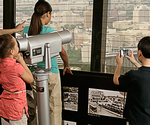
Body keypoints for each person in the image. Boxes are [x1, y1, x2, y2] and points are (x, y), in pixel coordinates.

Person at [22, 1, 73, 125]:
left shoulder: (26, 30)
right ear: (47, 14)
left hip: (34, 74)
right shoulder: (50, 31)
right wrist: (67, 65)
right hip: (51, 72)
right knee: (54, 107)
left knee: (40, 106)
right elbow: (62, 52)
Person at [113, 36, 150, 125]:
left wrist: (119, 64)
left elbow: (116, 80)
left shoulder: (134, 75)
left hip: (136, 120)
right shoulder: (139, 75)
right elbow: (145, 72)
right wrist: (134, 62)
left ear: (140, 53)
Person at [0, 34, 34, 125]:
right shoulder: (16, 67)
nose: (18, 47)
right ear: (11, 51)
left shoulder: (1, 65)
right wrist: (21, 61)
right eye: (16, 45)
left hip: (4, 108)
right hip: (16, 111)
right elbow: (30, 79)